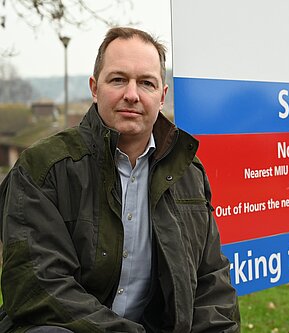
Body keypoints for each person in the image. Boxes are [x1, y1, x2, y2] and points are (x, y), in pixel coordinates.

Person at [0, 27, 240, 333]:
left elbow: (211, 282)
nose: (132, 94)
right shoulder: (45, 168)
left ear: (162, 95)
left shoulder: (188, 174)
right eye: (118, 79)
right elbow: (39, 285)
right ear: (94, 87)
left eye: (146, 83)